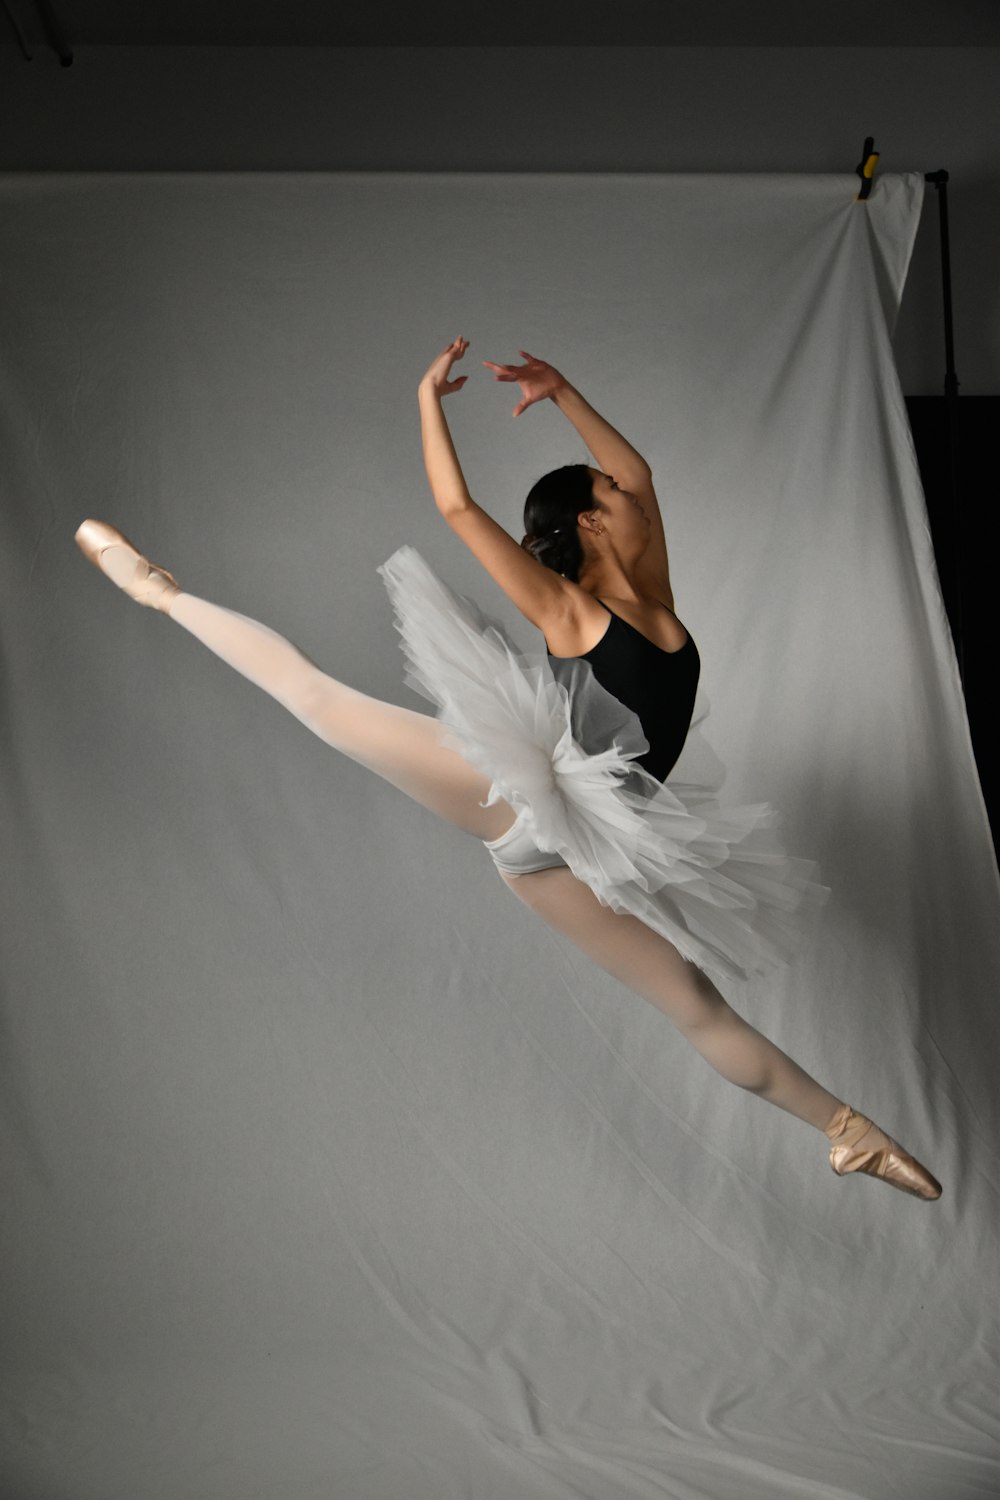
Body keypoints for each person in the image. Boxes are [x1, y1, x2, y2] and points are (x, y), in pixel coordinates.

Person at [74, 337, 942, 1202]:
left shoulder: (655, 593)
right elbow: (456, 508)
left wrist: (565, 390)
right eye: (607, 491)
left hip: (582, 849)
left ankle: (848, 1134)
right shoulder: (569, 608)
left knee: (695, 1004)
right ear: (593, 522)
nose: (628, 487)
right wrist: (425, 399)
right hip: (527, 808)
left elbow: (637, 473)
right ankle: (162, 593)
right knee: (321, 700)